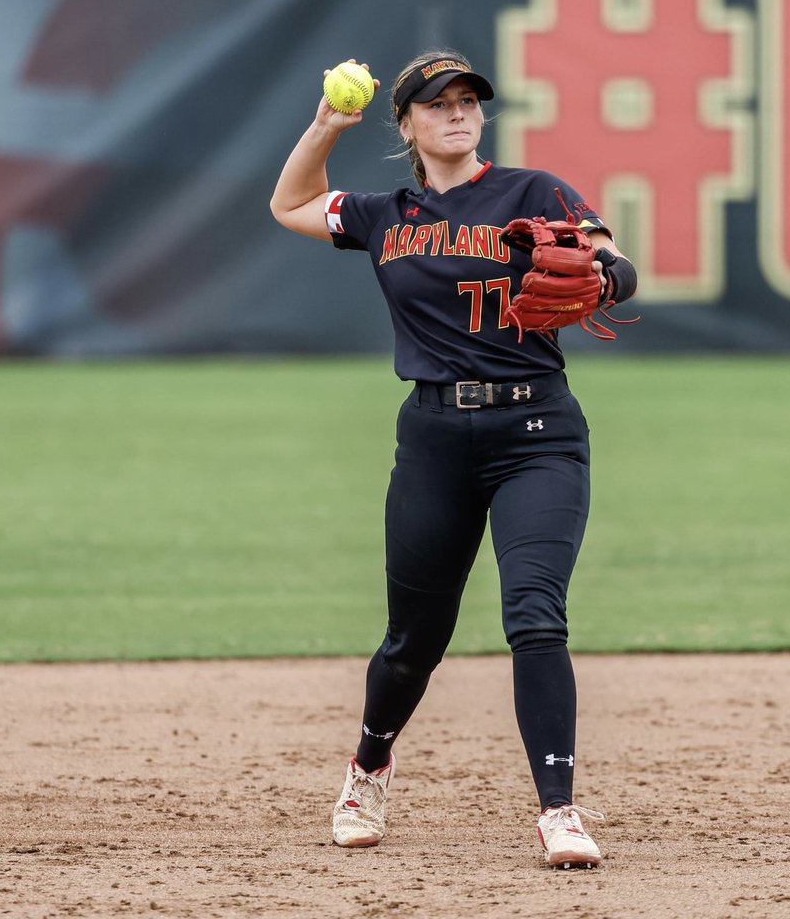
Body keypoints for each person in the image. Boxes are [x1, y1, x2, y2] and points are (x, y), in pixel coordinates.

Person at [269, 49, 638, 869]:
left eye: (469, 99)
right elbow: (288, 202)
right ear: (406, 124)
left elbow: (613, 258)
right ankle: (368, 769)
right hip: (433, 439)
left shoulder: (534, 191)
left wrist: (604, 279)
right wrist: (327, 125)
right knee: (414, 639)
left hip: (537, 432)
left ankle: (559, 811)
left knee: (536, 615)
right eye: (438, 103)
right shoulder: (382, 212)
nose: (459, 112)